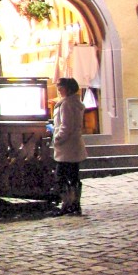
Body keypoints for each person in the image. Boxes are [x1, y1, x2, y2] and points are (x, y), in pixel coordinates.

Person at [53, 77, 87, 215]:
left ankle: (67, 204)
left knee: (60, 176)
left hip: (66, 147)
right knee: (73, 176)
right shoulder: (75, 103)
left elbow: (66, 126)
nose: (59, 90)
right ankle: (75, 204)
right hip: (74, 145)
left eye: (61, 87)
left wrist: (57, 138)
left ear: (68, 88)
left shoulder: (67, 104)